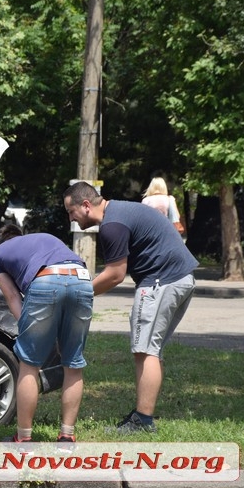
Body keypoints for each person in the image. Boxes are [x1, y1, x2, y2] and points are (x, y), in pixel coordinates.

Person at [62, 181, 198, 434]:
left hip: (161, 281)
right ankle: (142, 417)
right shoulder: (119, 211)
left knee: (145, 350)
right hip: (178, 278)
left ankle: (143, 421)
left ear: (86, 205)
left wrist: (76, 294)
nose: (71, 218)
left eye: (71, 212)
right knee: (149, 350)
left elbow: (115, 275)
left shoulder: (112, 225)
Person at [0, 223, 94, 443]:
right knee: (73, 364)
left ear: (0, 242)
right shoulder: (44, 237)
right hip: (82, 279)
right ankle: (67, 437)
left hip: (46, 279)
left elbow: (13, 297)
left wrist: (30, 330)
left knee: (30, 364)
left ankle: (24, 438)